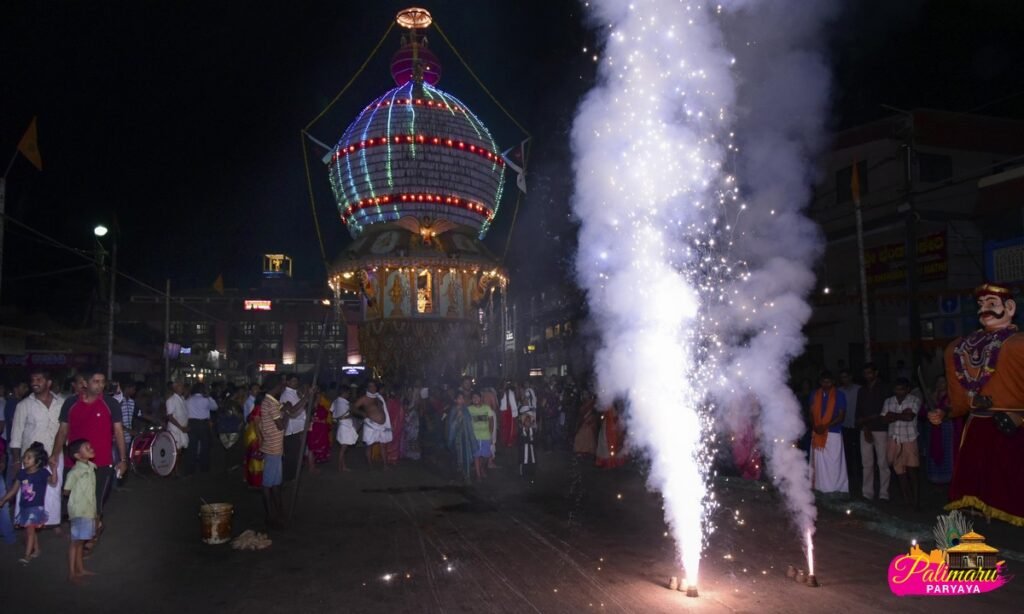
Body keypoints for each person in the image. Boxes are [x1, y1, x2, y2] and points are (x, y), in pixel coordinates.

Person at [942, 283, 1024, 525]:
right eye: (980, 305)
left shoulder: (1018, 344)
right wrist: (947, 411)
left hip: (1012, 423)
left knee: (1012, 478)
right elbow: (958, 398)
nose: (984, 310)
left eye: (991, 304)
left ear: (1009, 308)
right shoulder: (960, 347)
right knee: (976, 479)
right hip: (977, 423)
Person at [52, 369, 127, 545]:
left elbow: (118, 432)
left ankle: (90, 538)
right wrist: (54, 454)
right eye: (96, 381)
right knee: (77, 503)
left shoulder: (111, 404)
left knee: (95, 503)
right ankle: (91, 529)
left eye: (103, 382)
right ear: (85, 383)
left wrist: (123, 460)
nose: (101, 385)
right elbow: (62, 431)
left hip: (102, 463)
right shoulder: (70, 403)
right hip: (75, 462)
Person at [9, 369, 64, 530]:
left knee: (54, 489)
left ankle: (52, 522)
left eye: (39, 379)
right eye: (33, 379)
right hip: (32, 458)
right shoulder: (24, 405)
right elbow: (16, 434)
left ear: (48, 383)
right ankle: (28, 523)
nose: (35, 382)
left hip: (54, 454)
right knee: (28, 491)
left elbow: (65, 429)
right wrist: (17, 460)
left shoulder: (60, 403)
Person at [0, 442, 54, 564]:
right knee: (30, 530)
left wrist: (54, 469)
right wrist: (3, 499)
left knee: (29, 531)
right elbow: (14, 490)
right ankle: (37, 550)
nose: (25, 460)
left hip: (35, 508)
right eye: (24, 457)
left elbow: (53, 481)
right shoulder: (22, 473)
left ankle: (27, 555)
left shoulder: (43, 473)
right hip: (24, 506)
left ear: (38, 461)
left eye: (29, 457)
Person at [881, 378, 921, 507]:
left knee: (912, 471)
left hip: (909, 439)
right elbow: (884, 419)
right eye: (896, 389)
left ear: (908, 389)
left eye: (902, 389)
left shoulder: (915, 400)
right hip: (894, 439)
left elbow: (910, 417)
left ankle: (915, 500)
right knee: (899, 472)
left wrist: (893, 415)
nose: (899, 391)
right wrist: (901, 415)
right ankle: (907, 500)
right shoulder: (888, 401)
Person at [808, 371, 848, 494]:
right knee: (819, 463)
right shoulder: (814, 394)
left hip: (833, 433)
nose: (826, 384)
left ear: (833, 382)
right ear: (820, 382)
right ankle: (820, 488)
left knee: (834, 463)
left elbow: (841, 416)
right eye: (824, 381)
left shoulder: (839, 395)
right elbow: (810, 413)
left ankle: (836, 489)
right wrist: (815, 426)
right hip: (817, 431)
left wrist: (825, 426)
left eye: (829, 381)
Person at [856, 363, 891, 501]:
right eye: (865, 373)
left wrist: (869, 421)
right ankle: (867, 492)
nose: (867, 376)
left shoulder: (884, 388)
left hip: (881, 429)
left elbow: (885, 411)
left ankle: (884, 493)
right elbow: (858, 411)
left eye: (870, 373)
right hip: (865, 429)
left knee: (883, 463)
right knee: (867, 463)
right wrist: (865, 427)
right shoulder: (862, 390)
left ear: (876, 373)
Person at [63, 439, 97, 582]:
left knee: (81, 542)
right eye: (86, 447)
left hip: (88, 510)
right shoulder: (75, 472)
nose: (91, 447)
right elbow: (66, 491)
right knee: (75, 542)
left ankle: (80, 569)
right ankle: (72, 573)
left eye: (90, 445)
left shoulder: (91, 466)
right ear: (77, 455)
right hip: (78, 511)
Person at [258, 375, 287, 529]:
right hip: (272, 448)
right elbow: (281, 425)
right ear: (277, 387)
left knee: (275, 483)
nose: (284, 388)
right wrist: (287, 415)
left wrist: (306, 398)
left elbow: (289, 410)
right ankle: (270, 515)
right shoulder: (271, 403)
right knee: (268, 484)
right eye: (282, 385)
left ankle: (277, 512)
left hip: (274, 447)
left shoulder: (271, 401)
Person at [923, 375, 960, 484]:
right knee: (933, 449)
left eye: (943, 382)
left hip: (947, 429)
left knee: (948, 453)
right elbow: (922, 412)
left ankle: (949, 477)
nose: (940, 384)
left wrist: (942, 414)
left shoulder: (951, 396)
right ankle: (936, 477)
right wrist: (930, 401)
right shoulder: (932, 396)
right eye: (938, 382)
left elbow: (953, 412)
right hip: (933, 429)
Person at [837, 369, 862, 496]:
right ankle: (850, 477)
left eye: (846, 376)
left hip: (857, 425)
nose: (844, 379)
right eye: (842, 377)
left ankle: (860, 477)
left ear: (850, 377)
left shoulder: (859, 389)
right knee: (847, 452)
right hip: (845, 425)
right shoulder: (839, 391)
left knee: (859, 452)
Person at [356, 382, 391, 468]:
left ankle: (385, 466)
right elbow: (353, 407)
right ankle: (370, 465)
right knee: (369, 446)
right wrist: (363, 414)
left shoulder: (378, 397)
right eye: (370, 386)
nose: (373, 387)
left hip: (382, 426)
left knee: (383, 445)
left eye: (374, 386)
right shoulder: (364, 398)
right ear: (367, 388)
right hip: (371, 425)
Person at [185, 382, 217, 474]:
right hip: (203, 424)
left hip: (192, 423)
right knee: (205, 447)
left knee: (192, 447)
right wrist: (209, 397)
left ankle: (190, 469)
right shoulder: (206, 399)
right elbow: (215, 407)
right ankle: (204, 468)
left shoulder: (189, 400)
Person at [445, 392, 475, 484]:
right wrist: (457, 416)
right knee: (455, 459)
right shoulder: (453, 410)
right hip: (455, 439)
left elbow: (470, 423)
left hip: (465, 438)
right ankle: (453, 478)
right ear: (455, 400)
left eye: (463, 398)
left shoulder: (466, 410)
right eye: (459, 398)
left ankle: (466, 476)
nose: (462, 400)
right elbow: (451, 426)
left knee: (466, 457)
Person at [467, 391, 495, 480]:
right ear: (471, 399)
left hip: (486, 436)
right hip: (474, 437)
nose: (475, 399)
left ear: (481, 398)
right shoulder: (469, 409)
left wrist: (490, 434)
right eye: (473, 397)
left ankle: (482, 468)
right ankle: (478, 474)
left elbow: (491, 421)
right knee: (476, 456)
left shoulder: (487, 408)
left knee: (486, 456)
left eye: (477, 397)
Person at [164, 381, 189, 474]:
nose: (183, 388)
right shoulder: (171, 400)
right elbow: (170, 417)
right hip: (175, 429)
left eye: (182, 386)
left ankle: (175, 470)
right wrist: (181, 427)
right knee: (175, 451)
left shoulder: (182, 399)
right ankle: (174, 471)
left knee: (179, 451)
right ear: (175, 388)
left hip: (182, 429)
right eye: (180, 386)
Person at [306, 386, 334, 469]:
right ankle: (311, 467)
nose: (319, 398)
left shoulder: (320, 407)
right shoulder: (310, 407)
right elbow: (309, 419)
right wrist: (319, 421)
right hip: (314, 430)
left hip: (321, 431)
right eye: (318, 397)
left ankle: (313, 465)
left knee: (316, 448)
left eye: (320, 397)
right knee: (312, 448)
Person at [242, 388, 264, 488]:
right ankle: (256, 481)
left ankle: (251, 479)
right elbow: (256, 424)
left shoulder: (257, 407)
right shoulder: (259, 408)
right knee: (256, 459)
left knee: (252, 458)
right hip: (255, 435)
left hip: (252, 434)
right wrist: (260, 439)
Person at [595, 400, 627, 469]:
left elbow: (615, 418)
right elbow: (602, 416)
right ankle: (603, 462)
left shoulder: (612, 407)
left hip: (610, 429)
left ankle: (610, 462)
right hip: (605, 427)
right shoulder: (606, 407)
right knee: (603, 444)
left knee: (610, 445)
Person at [332, 386, 356, 472]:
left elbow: (333, 412)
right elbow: (347, 414)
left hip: (342, 425)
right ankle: (340, 467)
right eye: (348, 393)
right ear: (344, 393)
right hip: (345, 426)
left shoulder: (336, 401)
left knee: (343, 448)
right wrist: (352, 410)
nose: (349, 395)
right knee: (343, 449)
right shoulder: (344, 403)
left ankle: (343, 466)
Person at [383, 385, 405, 466]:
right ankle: (392, 458)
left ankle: (389, 458)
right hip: (395, 425)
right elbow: (401, 414)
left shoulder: (389, 402)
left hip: (390, 425)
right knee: (394, 441)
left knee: (390, 441)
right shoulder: (396, 402)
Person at [573, 391, 598, 457]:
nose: (584, 396)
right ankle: (581, 450)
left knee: (588, 435)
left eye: (585, 395)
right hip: (585, 423)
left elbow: (594, 412)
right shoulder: (584, 404)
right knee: (580, 435)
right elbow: (581, 413)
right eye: (584, 395)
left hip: (589, 422)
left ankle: (587, 451)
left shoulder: (591, 403)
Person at [498, 382, 519, 449]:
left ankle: (510, 441)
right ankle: (504, 441)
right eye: (505, 384)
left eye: (508, 384)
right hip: (504, 410)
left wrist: (516, 388)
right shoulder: (501, 391)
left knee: (512, 427)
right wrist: (504, 389)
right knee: (504, 427)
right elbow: (500, 397)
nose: (507, 385)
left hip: (512, 410)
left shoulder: (511, 391)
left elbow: (516, 398)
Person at [519, 410, 538, 477]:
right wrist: (529, 440)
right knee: (523, 461)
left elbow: (534, 441)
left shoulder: (532, 430)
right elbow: (521, 441)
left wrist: (531, 440)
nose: (528, 422)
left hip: (531, 449)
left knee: (532, 461)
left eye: (529, 421)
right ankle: (523, 473)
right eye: (526, 421)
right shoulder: (521, 431)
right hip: (523, 450)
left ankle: (531, 473)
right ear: (524, 422)